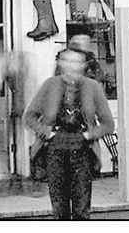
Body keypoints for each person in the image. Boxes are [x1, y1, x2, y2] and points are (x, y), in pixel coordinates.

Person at [25, 47, 116, 219]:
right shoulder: (50, 85)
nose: (71, 66)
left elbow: (108, 124)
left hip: (82, 152)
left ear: (83, 65)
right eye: (66, 60)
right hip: (55, 151)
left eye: (76, 61)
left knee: (81, 209)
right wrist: (46, 132)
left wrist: (89, 135)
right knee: (60, 210)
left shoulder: (93, 87)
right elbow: (29, 117)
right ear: (59, 63)